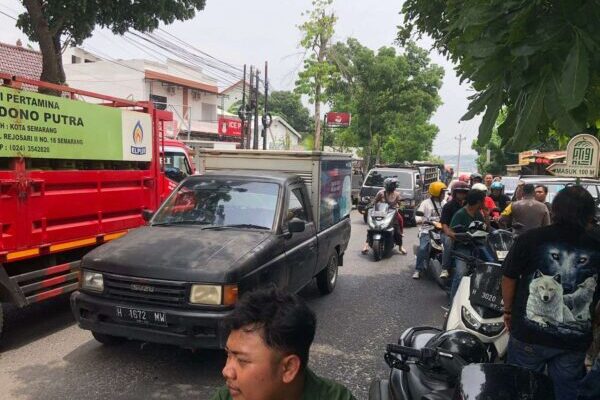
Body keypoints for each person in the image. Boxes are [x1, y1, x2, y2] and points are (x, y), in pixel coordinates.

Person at [502, 186, 600, 400]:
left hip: (529, 336)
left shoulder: (531, 238)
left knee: (521, 390)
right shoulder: (597, 243)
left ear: (554, 209)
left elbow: (509, 276)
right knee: (565, 392)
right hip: (573, 341)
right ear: (589, 214)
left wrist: (508, 311)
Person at [211, 287, 356, 400]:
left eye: (242, 360)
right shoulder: (228, 396)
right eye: (228, 355)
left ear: (288, 368)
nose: (226, 371)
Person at [448, 189, 486, 300]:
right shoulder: (460, 214)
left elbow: (486, 229)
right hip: (463, 248)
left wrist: (487, 216)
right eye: (483, 201)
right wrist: (460, 237)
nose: (484, 203)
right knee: (461, 273)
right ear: (478, 202)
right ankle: (452, 303)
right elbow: (451, 231)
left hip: (478, 247)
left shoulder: (478, 214)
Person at [362, 178, 406, 255]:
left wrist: (401, 207)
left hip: (392, 214)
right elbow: (374, 202)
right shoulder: (381, 193)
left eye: (394, 185)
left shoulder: (397, 194)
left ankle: (400, 246)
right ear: (388, 185)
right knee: (373, 227)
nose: (394, 186)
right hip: (381, 213)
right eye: (393, 184)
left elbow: (401, 204)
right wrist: (369, 206)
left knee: (398, 226)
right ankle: (366, 245)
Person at [412, 181, 447, 279]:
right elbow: (419, 216)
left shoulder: (444, 203)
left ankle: (446, 268)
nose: (444, 195)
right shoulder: (425, 203)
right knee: (423, 248)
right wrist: (420, 220)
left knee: (448, 246)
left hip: (441, 229)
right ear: (437, 192)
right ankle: (418, 270)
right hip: (427, 230)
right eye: (442, 192)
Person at [439, 181, 470, 279]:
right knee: (449, 241)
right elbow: (443, 224)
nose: (462, 194)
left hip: (464, 233)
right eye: (460, 192)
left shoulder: (469, 206)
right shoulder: (448, 206)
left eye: (464, 192)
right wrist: (449, 233)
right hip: (448, 232)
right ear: (454, 192)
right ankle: (445, 268)